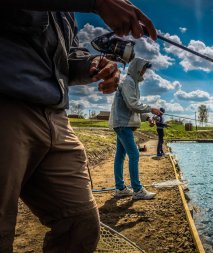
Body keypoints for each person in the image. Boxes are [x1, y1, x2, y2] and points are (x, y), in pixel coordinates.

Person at [0, 1, 157, 252]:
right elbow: (133, 103)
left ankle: (124, 188)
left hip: (56, 116)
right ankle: (130, 188)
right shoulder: (132, 85)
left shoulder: (67, 14)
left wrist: (95, 64)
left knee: (80, 223)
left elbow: (68, 57)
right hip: (8, 107)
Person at [109, 57, 161, 199]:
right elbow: (132, 104)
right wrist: (151, 109)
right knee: (134, 155)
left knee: (120, 156)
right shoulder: (128, 82)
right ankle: (137, 190)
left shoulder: (132, 83)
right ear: (138, 68)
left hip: (121, 123)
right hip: (122, 124)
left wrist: (147, 117)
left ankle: (120, 189)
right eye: (143, 69)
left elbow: (132, 106)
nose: (144, 72)